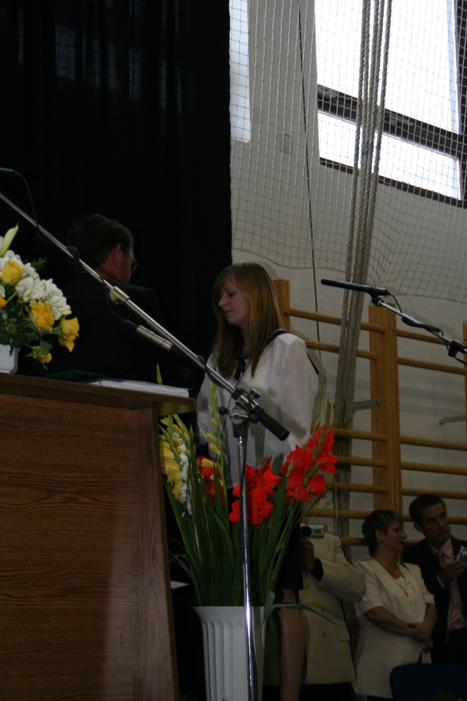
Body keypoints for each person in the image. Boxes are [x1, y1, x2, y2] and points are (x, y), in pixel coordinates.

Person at [197, 261, 318, 701]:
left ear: (256, 294)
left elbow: (296, 428)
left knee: (284, 595)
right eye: (220, 295)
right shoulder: (221, 358)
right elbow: (204, 417)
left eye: (231, 293)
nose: (222, 302)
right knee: (238, 592)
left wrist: (279, 486)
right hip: (231, 493)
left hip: (273, 490)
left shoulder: (287, 348)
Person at [20, 213, 187, 386]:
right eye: (131, 262)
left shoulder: (45, 302)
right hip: (124, 401)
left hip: (51, 400)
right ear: (117, 253)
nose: (131, 272)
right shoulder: (135, 300)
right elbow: (165, 371)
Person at [353, 509, 437, 701]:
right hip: (380, 669)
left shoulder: (413, 570)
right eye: (397, 530)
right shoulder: (363, 570)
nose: (404, 535)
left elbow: (430, 604)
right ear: (379, 535)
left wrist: (427, 626)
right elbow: (375, 613)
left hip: (417, 663)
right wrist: (418, 632)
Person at [297, 530, 366, 701]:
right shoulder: (257, 539)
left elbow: (357, 588)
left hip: (328, 659)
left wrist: (316, 566)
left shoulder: (326, 540)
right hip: (276, 661)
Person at [403, 494, 467, 667]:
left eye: (442, 516)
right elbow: (413, 599)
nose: (441, 524)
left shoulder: (465, 550)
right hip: (435, 640)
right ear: (418, 527)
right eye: (432, 520)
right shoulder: (412, 556)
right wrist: (441, 579)